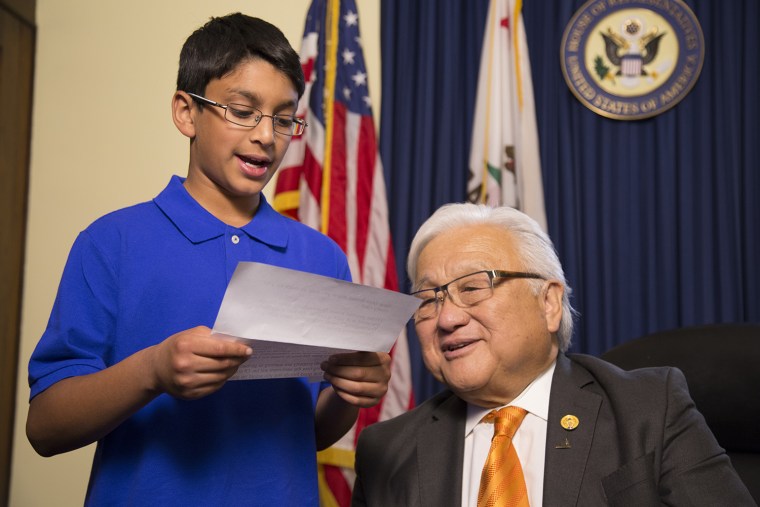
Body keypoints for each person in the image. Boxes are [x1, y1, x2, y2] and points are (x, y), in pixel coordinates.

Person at [26, 13, 391, 506]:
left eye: (284, 119)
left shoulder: (321, 257)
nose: (267, 136)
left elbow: (308, 434)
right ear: (186, 112)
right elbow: (46, 429)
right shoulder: (111, 242)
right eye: (243, 111)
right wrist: (152, 370)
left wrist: (349, 394)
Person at [352, 203, 755, 506]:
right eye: (428, 298)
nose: (447, 318)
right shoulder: (386, 450)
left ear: (548, 304)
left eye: (473, 287)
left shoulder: (649, 408)